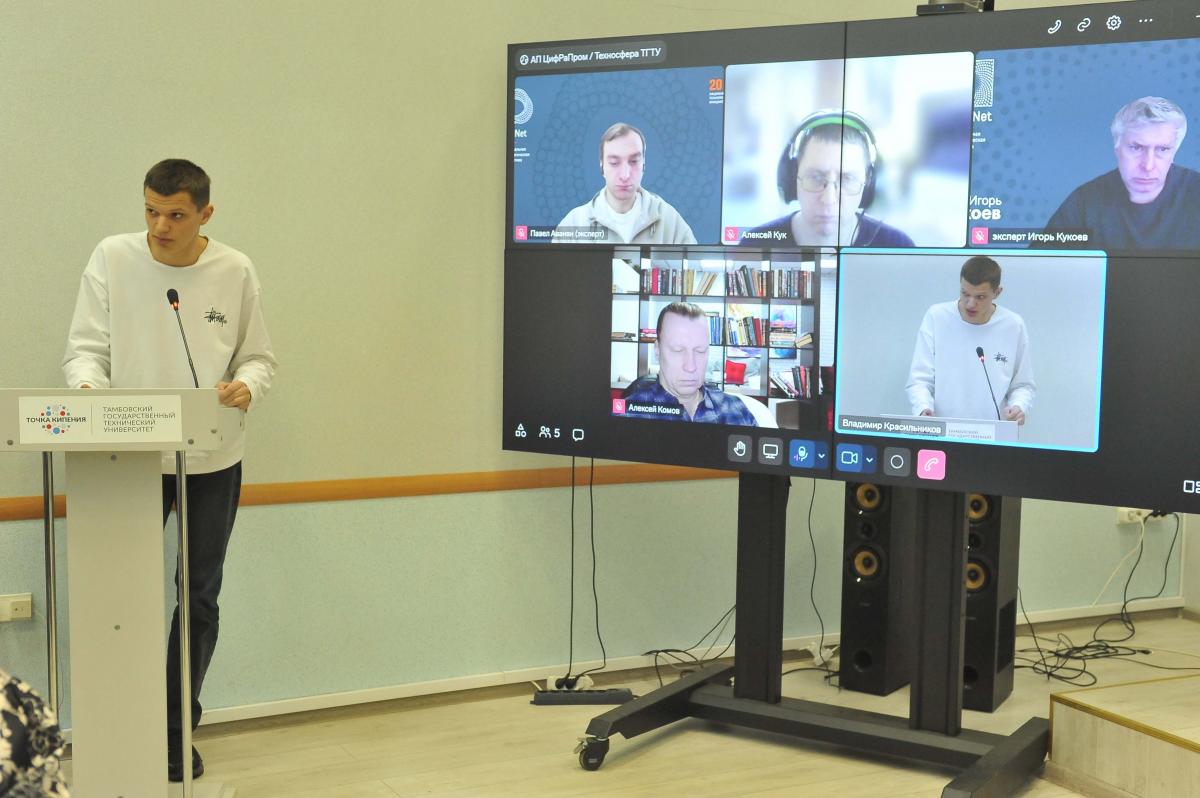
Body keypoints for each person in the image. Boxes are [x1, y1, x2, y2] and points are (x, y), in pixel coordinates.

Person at [62, 159, 277, 782]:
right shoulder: (112, 257)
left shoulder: (234, 270)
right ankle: (122, 726)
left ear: (205, 213)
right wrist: (87, 392)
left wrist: (247, 386)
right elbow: (85, 350)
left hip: (210, 454)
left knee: (198, 596)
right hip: (125, 455)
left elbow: (259, 358)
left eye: (176, 215)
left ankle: (177, 728)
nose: (161, 226)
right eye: (151, 211)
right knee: (120, 594)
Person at [1045, 96, 1200, 250]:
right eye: (1136, 148)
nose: (1148, 166)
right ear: (1117, 149)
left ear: (1174, 152)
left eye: (1162, 149)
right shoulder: (1084, 202)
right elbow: (1043, 259)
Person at [746, 110, 913, 247]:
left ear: (868, 183)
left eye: (847, 179)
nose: (828, 199)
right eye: (815, 177)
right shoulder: (753, 246)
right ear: (792, 177)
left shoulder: (899, 247)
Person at [906, 256, 1034, 424]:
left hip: (994, 432)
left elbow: (1022, 385)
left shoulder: (1013, 325)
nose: (970, 304)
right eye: (965, 294)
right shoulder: (937, 317)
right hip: (942, 429)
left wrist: (1019, 406)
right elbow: (919, 379)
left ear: (997, 292)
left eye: (980, 297)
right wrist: (923, 408)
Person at [554, 122, 697, 244]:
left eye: (633, 161)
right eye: (614, 163)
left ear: (644, 164)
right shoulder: (574, 223)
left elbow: (694, 265)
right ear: (602, 166)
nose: (625, 175)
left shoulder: (669, 221)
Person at [621, 302, 760, 425]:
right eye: (678, 350)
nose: (691, 367)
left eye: (700, 351)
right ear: (657, 350)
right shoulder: (627, 414)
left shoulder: (737, 410)